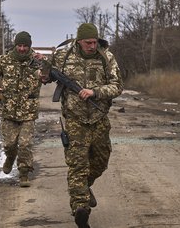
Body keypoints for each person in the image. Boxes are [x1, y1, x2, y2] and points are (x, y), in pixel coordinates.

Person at [46, 23, 122, 228]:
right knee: (77, 166)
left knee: (100, 162)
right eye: (88, 42)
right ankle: (80, 208)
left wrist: (95, 92)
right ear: (79, 41)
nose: (92, 45)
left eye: (94, 42)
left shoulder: (106, 57)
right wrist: (41, 69)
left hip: (99, 119)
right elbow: (45, 76)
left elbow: (117, 86)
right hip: (74, 121)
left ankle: (84, 188)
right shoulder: (62, 56)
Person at [0, 31, 44, 187]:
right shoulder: (5, 60)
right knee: (9, 144)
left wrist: (45, 62)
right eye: (20, 45)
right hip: (8, 110)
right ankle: (10, 157)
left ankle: (24, 174)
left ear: (29, 46)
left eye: (25, 46)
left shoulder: (37, 61)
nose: (23, 49)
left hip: (28, 111)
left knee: (25, 144)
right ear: (15, 45)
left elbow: (50, 74)